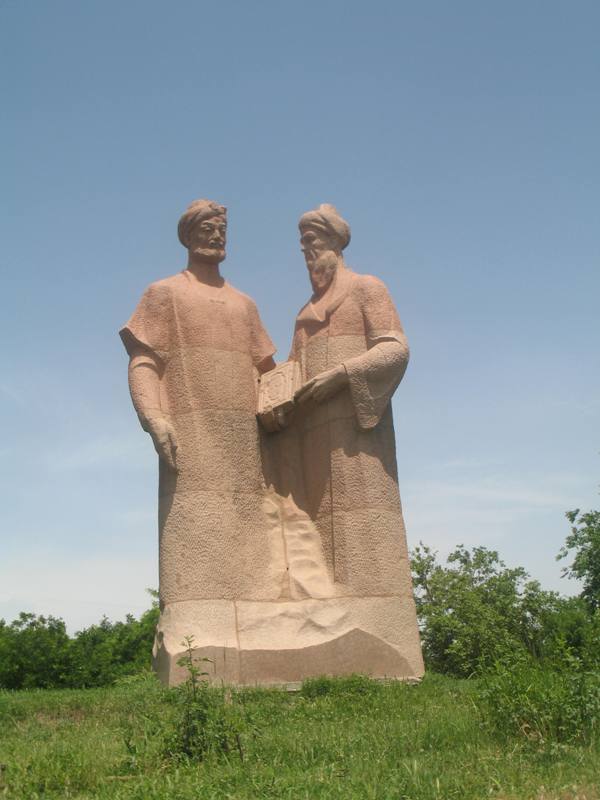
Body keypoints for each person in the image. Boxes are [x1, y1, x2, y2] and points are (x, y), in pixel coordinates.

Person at [120, 200, 284, 681]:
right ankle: (194, 638)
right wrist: (154, 416)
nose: (217, 236)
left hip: (246, 444)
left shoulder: (244, 304)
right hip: (191, 436)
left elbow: (269, 374)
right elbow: (144, 362)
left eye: (222, 228)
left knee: (255, 537)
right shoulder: (163, 294)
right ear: (189, 236)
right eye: (207, 228)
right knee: (192, 531)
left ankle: (259, 633)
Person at [286, 203, 424, 677]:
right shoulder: (304, 316)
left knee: (364, 530)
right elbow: (290, 371)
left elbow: (395, 347)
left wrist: (343, 375)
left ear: (336, 244)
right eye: (303, 245)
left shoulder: (367, 288)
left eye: (314, 242)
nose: (307, 252)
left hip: (357, 434)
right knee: (317, 530)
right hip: (311, 440)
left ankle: (378, 636)